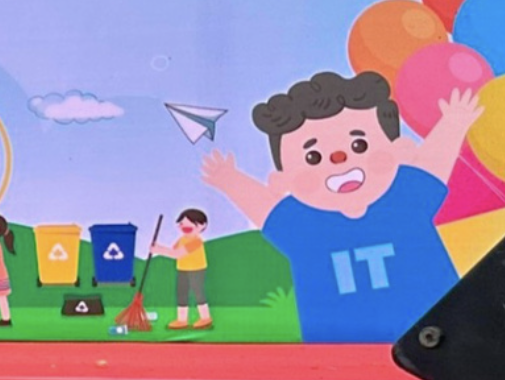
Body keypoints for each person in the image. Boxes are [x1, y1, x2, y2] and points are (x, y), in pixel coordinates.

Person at [200, 69, 479, 343]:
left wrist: (454, 124)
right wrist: (230, 179)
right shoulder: (300, 222)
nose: (339, 159)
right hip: (338, 348)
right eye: (312, 156)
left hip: (438, 339)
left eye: (359, 144)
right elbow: (263, 206)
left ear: (399, 150)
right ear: (283, 179)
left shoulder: (405, 195)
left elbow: (433, 164)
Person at [153, 208, 214, 330]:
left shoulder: (196, 242)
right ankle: (182, 320)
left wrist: (159, 250)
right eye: (181, 223)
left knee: (198, 292)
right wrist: (159, 247)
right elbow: (174, 250)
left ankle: (205, 317)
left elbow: (177, 254)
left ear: (202, 226)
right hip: (183, 269)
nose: (184, 226)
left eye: (190, 223)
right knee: (182, 293)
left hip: (196, 269)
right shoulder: (182, 239)